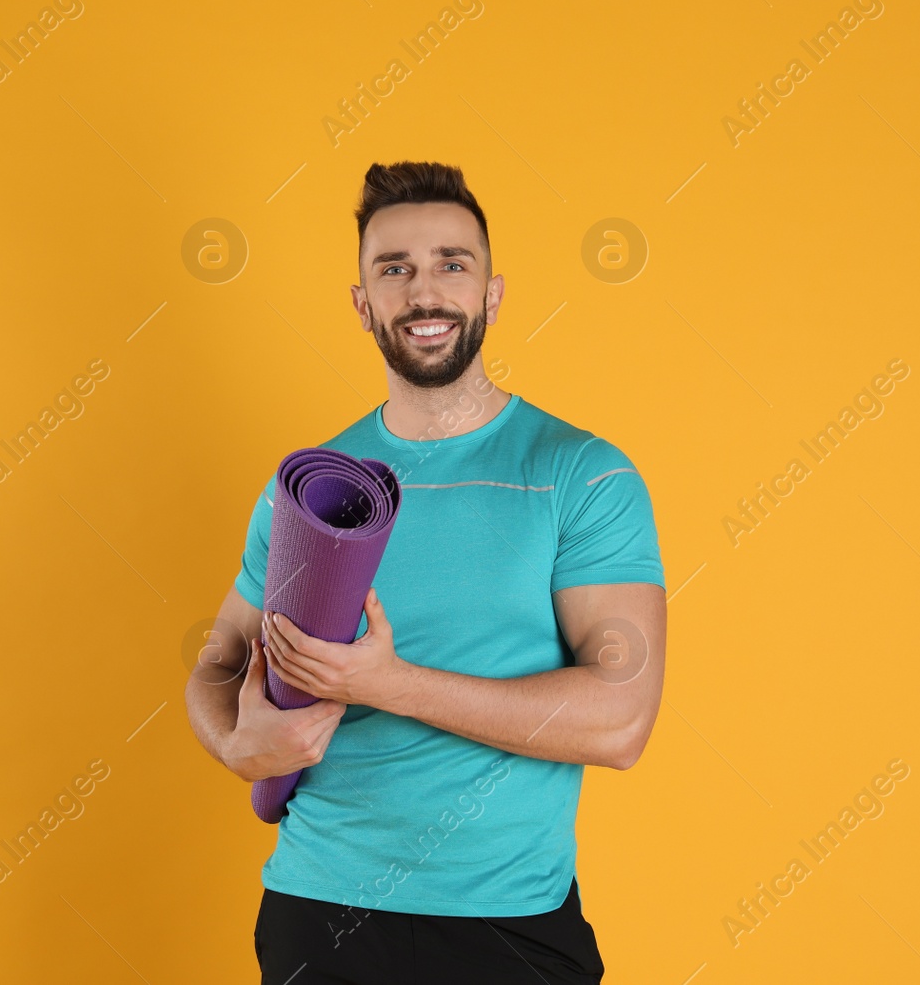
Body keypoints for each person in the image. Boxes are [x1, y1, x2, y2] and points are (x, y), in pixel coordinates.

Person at [184, 161, 667, 984]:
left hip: (509, 923)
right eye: (394, 269)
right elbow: (218, 663)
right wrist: (234, 741)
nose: (426, 290)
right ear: (362, 301)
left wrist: (387, 681)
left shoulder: (580, 473)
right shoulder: (313, 486)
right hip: (318, 913)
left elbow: (621, 720)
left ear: (493, 292)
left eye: (453, 262)